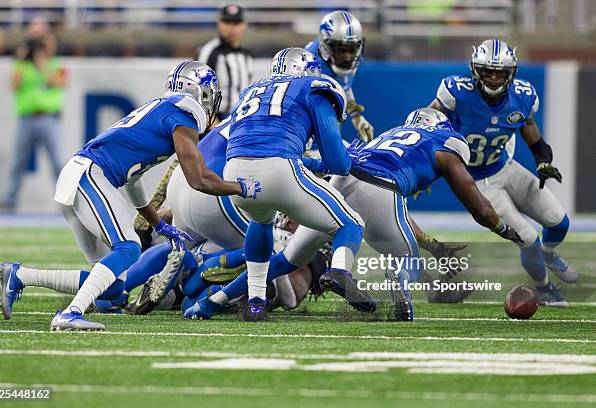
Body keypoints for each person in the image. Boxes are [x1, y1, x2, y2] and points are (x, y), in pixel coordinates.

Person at [186, 108, 524, 321]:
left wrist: (433, 245)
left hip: (345, 181)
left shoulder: (384, 139)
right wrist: (505, 228)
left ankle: (212, 303)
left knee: (286, 260)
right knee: (407, 262)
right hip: (383, 190)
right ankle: (396, 290)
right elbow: (479, 207)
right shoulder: (445, 143)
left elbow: (343, 170)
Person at [0, 60, 261, 331]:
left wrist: (158, 223)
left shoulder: (165, 109)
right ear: (202, 93)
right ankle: (71, 313)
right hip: (90, 174)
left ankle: (20, 276)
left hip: (80, 175)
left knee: (113, 289)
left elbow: (133, 180)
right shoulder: (182, 117)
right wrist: (242, 187)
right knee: (128, 247)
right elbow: (199, 179)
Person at [221, 47, 370, 321]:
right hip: (280, 169)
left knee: (261, 222)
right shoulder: (313, 87)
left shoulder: (251, 91)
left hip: (233, 174)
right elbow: (339, 164)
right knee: (351, 223)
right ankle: (339, 271)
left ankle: (255, 301)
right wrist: (341, 160)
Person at [428, 39, 575, 307]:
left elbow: (535, 140)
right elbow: (425, 124)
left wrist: (543, 162)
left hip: (505, 167)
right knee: (528, 239)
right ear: (476, 70)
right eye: (487, 71)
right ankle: (543, 288)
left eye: (500, 72)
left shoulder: (523, 96)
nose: (494, 78)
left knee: (559, 222)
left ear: (511, 73)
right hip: (476, 181)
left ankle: (549, 254)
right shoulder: (456, 92)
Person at [4, 37, 66, 211]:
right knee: (18, 162)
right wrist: (21, 59)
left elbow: (57, 82)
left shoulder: (56, 64)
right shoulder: (22, 66)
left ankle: (64, 203)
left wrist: (41, 63)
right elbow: (14, 85)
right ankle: (10, 201)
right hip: (26, 119)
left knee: (57, 162)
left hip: (48, 118)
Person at [305, 10, 373, 142]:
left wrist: (356, 116)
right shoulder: (310, 68)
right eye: (341, 50)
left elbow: (344, 86)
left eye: (352, 49)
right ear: (326, 47)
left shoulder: (351, 60)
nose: (348, 56)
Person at [198, 3, 252, 121]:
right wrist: (211, 121)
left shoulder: (245, 54)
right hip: (217, 119)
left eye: (236, 23)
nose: (231, 28)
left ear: (244, 25)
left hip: (240, 117)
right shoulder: (210, 51)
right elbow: (202, 87)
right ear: (219, 24)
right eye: (227, 22)